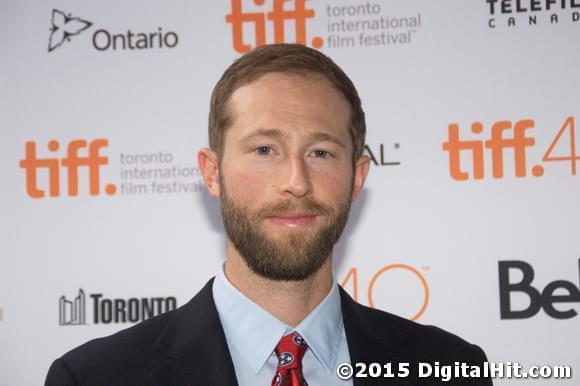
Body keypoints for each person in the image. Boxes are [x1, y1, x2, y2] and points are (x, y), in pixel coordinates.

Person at [45, 44, 492, 386]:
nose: (296, 180)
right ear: (212, 172)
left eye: (320, 152)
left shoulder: (449, 368)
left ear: (356, 178)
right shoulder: (95, 377)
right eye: (264, 150)